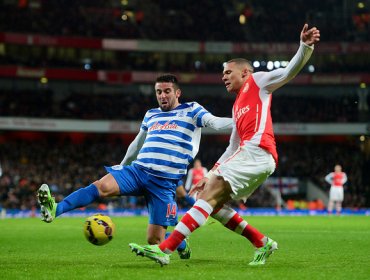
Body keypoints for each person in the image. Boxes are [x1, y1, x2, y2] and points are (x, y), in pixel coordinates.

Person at [129, 23, 320, 266]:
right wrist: (209, 174)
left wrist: (304, 46)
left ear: (245, 73)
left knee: (207, 197)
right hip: (248, 154)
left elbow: (288, 72)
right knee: (213, 204)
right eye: (223, 74)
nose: (223, 77)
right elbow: (232, 146)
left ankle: (165, 249)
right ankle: (262, 242)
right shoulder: (237, 106)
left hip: (258, 151)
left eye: (228, 72)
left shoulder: (259, 82)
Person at [37, 74, 233, 259]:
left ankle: (181, 243)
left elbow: (215, 123)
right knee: (101, 187)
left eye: (167, 91)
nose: (162, 96)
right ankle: (55, 209)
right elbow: (137, 143)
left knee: (153, 240)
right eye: (158, 92)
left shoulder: (192, 110)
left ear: (177, 93)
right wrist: (122, 166)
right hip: (138, 171)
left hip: (164, 182)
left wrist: (243, 121)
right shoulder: (151, 114)